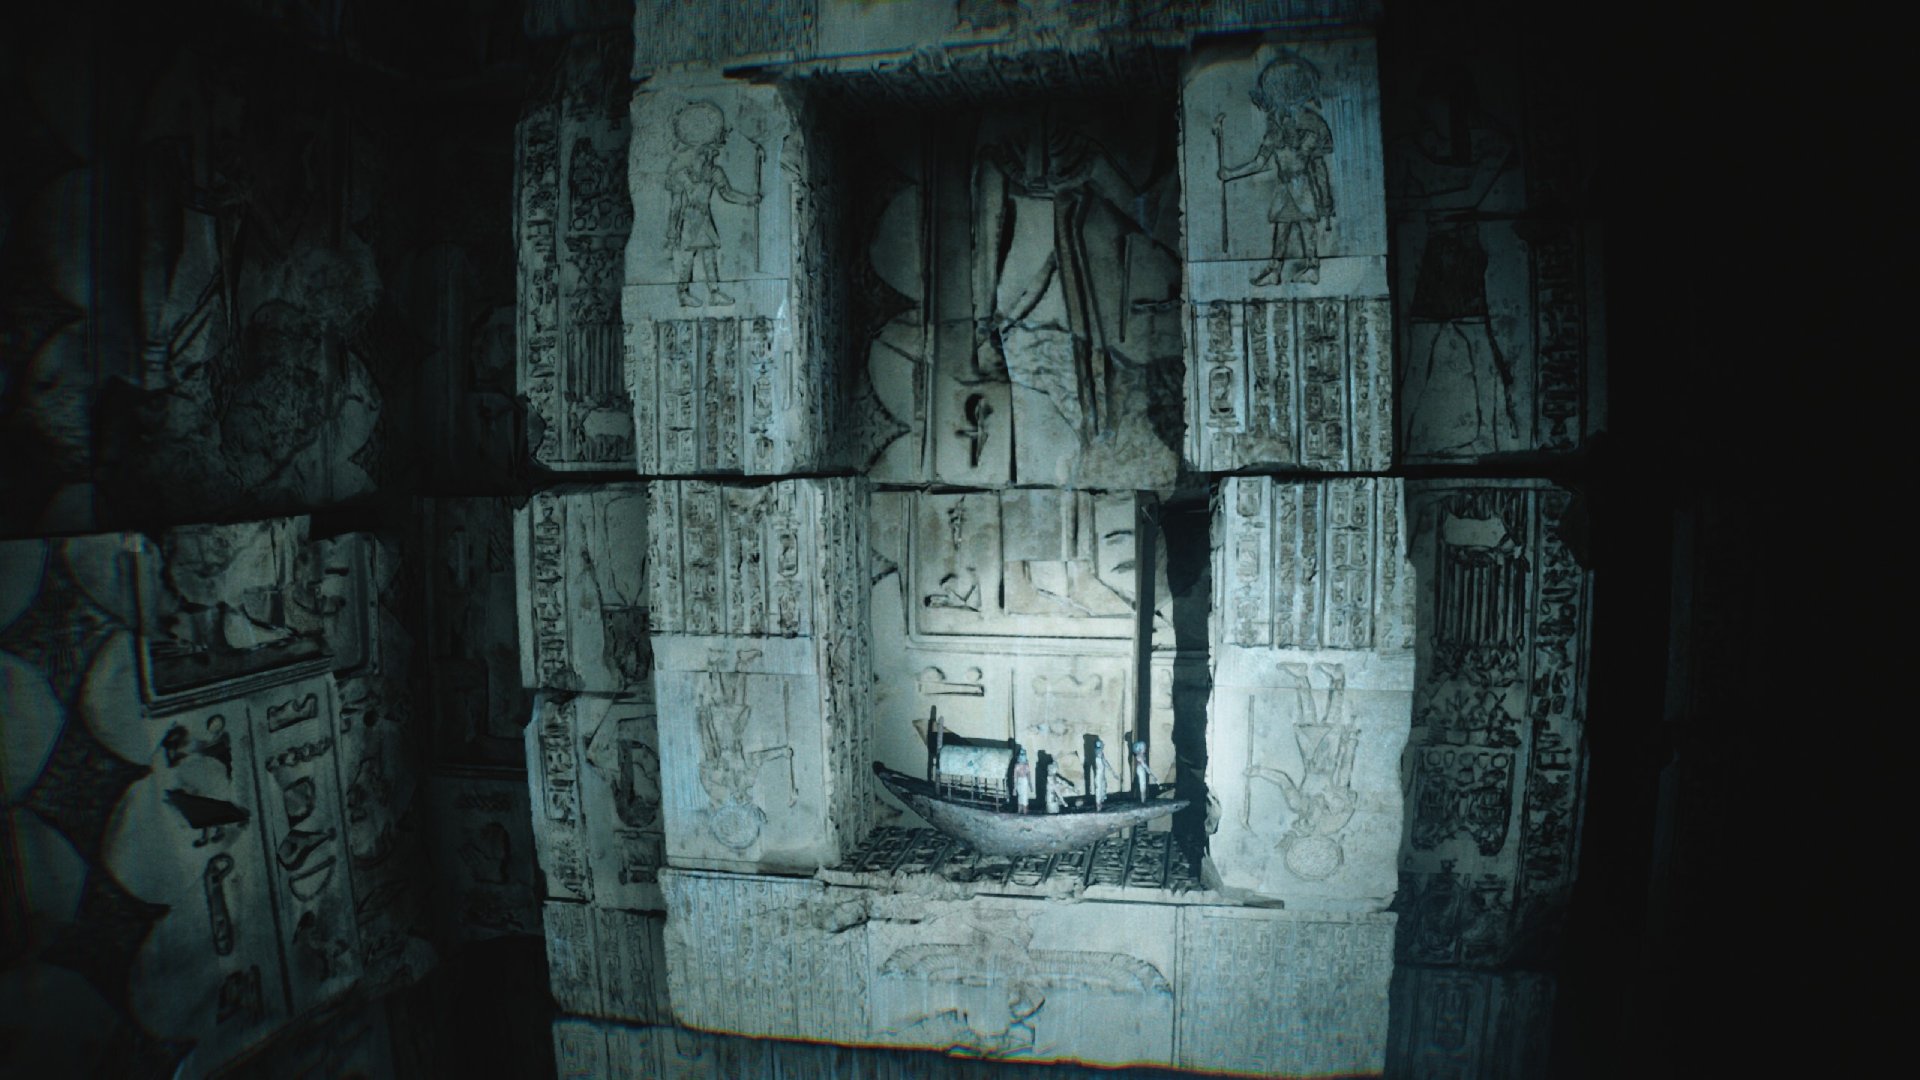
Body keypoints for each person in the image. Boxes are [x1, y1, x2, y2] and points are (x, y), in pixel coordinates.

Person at [1214, 52, 1335, 286]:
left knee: (1305, 225)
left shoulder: (1313, 124)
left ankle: (1312, 266)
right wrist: (1230, 174)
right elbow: (1260, 162)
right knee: (1282, 227)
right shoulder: (1275, 124)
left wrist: (1326, 199)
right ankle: (1275, 269)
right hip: (1284, 185)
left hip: (1303, 184)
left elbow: (1319, 165)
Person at [665, 101, 759, 308]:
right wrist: (672, 232)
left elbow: (728, 194)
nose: (709, 156)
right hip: (689, 220)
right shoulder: (682, 175)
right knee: (687, 259)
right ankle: (683, 293)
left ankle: (714, 292)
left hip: (704, 218)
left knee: (709, 256)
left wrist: (749, 200)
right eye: (705, 153)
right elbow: (675, 206)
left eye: (711, 153)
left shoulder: (714, 172)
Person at [1088, 736, 1116, 810]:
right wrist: (1112, 772)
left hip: (1101, 774)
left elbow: (1105, 763)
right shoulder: (1098, 754)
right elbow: (1104, 762)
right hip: (1099, 774)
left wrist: (1112, 772)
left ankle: (1100, 802)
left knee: (1103, 786)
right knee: (1099, 788)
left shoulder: (1100, 754)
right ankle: (1098, 804)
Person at [1011, 747, 1034, 814]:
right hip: (1020, 782)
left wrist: (1030, 785)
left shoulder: (1026, 765)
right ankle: (1020, 811)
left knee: (1024, 798)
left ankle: (1025, 812)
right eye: (1021, 754)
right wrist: (1014, 788)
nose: (1022, 756)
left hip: (1024, 781)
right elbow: (1015, 777)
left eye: (1023, 754)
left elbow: (1029, 776)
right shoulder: (1017, 766)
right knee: (1020, 797)